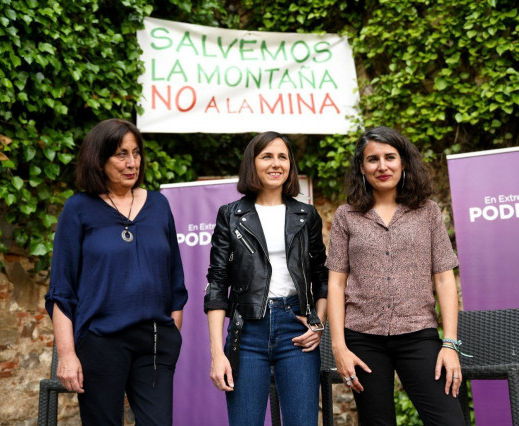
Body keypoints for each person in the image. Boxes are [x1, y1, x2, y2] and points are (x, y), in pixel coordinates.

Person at [44, 119, 188, 425]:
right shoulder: (78, 209)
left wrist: (171, 335)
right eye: (121, 154)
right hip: (100, 342)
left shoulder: (159, 205)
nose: (131, 162)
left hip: (154, 342)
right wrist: (67, 355)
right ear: (99, 159)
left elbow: (175, 280)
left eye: (136, 153)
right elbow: (62, 290)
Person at [326, 126, 466, 425]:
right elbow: (336, 284)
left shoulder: (427, 212)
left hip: (418, 334)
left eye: (390, 157)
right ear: (362, 168)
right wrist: (339, 346)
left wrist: (450, 343)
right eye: (372, 159)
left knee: (449, 420)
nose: (382, 166)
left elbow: (444, 278)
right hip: (362, 339)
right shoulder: (346, 216)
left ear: (403, 162)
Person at [205, 131, 328, 426]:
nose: (276, 164)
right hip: (246, 332)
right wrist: (216, 354)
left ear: (290, 165)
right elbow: (218, 283)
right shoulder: (230, 215)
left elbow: (322, 276)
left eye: (282, 157)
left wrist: (318, 323)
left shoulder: (306, 215)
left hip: (295, 330)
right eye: (267, 156)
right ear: (253, 163)